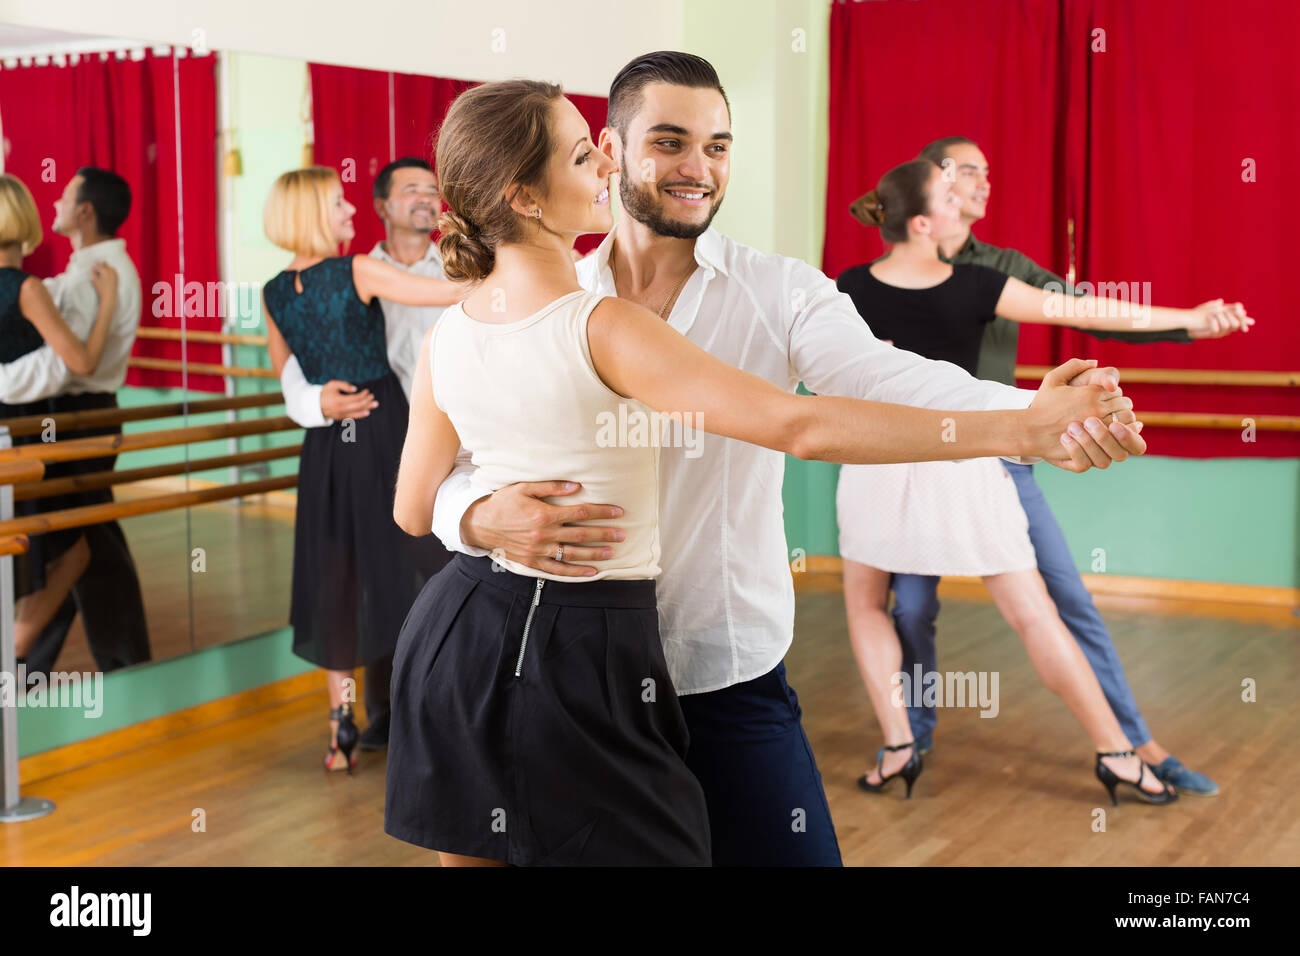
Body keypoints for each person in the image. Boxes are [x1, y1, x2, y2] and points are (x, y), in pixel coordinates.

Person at [386, 77, 1139, 868]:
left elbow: (883, 378)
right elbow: (797, 425)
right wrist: (474, 515)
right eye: (668, 142)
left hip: (707, 668)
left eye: (718, 146)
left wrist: (1022, 419)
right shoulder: (582, 309)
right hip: (560, 664)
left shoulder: (773, 290)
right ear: (612, 152)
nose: (697, 167)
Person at [836, 158, 1250, 803]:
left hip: (876, 459)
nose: (968, 197)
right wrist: (1191, 318)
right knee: (1031, 613)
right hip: (966, 458)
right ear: (922, 223)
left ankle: (898, 744)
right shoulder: (976, 283)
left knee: (870, 605)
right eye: (951, 192)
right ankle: (1116, 753)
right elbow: (1085, 311)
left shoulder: (850, 285)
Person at [259, 166, 464, 773]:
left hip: (326, 450)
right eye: (338, 203)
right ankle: (448, 709)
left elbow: (286, 373)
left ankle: (340, 728)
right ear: (312, 214)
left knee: (337, 578)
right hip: (384, 429)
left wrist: (320, 403)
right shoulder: (358, 270)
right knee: (436, 557)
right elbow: (449, 293)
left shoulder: (272, 291)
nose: (350, 210)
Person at [0, 166, 150, 678]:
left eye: (64, 196)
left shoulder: (98, 274)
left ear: (85, 210)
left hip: (79, 414)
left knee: (83, 543)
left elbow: (71, 362)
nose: (56, 203)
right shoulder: (79, 271)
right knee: (70, 543)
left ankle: (118, 662)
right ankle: (29, 663)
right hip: (54, 414)